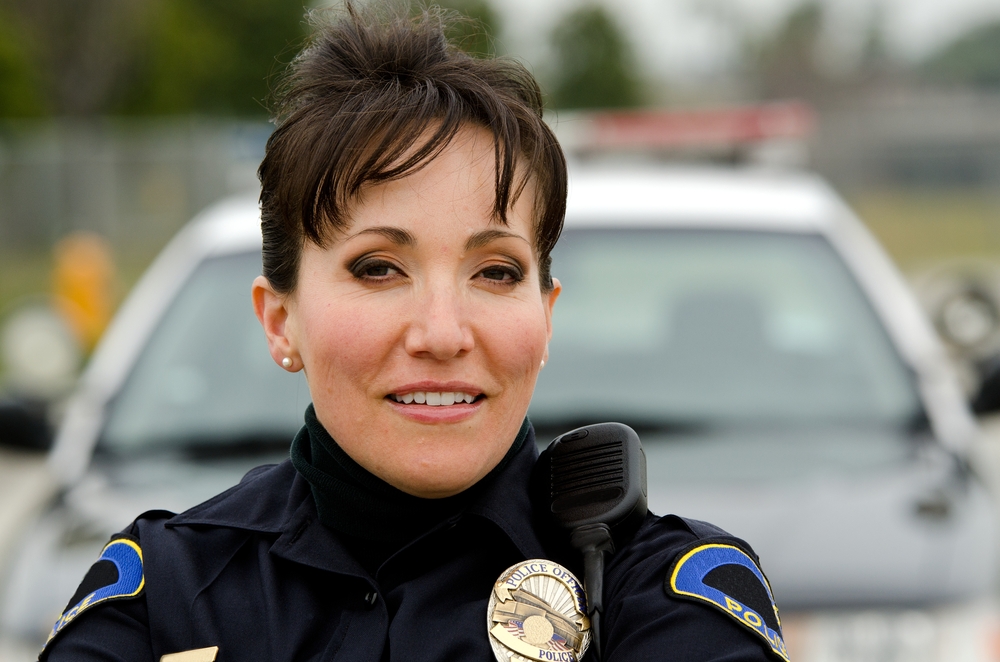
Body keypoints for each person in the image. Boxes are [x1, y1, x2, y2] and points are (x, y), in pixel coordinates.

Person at [40, 4, 788, 661]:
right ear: (280, 320)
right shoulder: (165, 597)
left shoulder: (657, 595)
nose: (442, 333)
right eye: (378, 268)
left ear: (546, 314)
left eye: (495, 271)